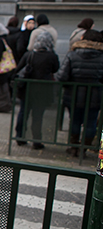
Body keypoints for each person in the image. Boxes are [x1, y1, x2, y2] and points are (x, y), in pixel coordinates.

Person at [56, 29, 103, 157]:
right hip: (95, 96)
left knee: (75, 120)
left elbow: (62, 76)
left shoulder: (72, 54)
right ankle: (83, 149)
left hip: (74, 94)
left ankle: (73, 147)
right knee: (91, 122)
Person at [14, 31, 59, 149]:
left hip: (27, 90)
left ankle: (19, 136)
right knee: (37, 116)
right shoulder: (52, 56)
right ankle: (36, 140)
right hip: (42, 91)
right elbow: (56, 69)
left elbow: (18, 68)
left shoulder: (29, 55)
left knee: (23, 112)